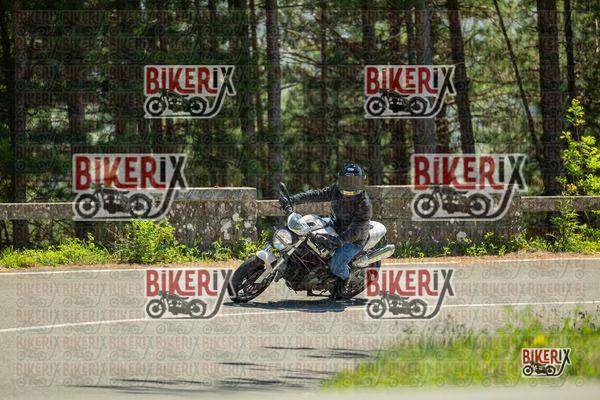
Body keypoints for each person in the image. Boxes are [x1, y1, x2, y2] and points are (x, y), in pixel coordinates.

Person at [286, 163, 373, 298]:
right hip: (334, 225)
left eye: (353, 182)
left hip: (353, 240)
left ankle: (345, 281)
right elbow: (317, 195)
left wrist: (337, 241)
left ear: (361, 183)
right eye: (346, 181)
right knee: (305, 229)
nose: (349, 186)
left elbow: (355, 231)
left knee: (336, 266)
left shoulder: (364, 204)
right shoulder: (336, 190)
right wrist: (293, 200)